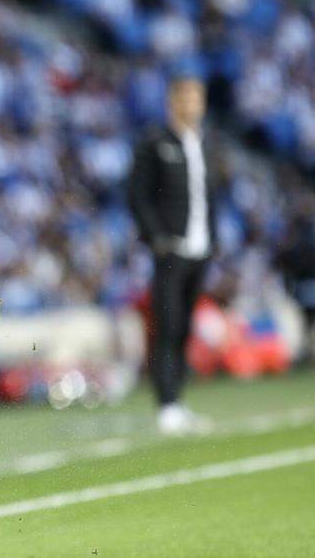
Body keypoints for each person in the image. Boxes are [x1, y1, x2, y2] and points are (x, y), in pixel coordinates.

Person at [128, 73, 217, 436]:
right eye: (187, 99)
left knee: (184, 328)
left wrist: (215, 240)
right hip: (172, 249)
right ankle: (166, 404)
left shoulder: (203, 144)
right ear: (173, 102)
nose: (194, 107)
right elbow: (138, 193)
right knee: (167, 326)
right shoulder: (155, 143)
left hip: (200, 249)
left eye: (198, 99)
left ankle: (177, 400)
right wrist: (156, 237)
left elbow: (210, 200)